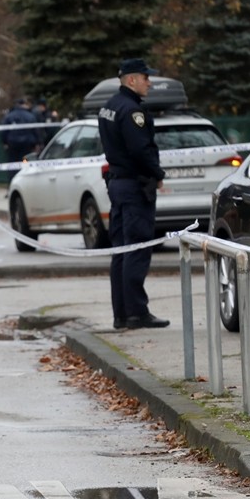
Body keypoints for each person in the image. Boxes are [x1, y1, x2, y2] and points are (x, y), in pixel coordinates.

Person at [97, 58, 170, 330]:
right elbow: (140, 150)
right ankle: (136, 312)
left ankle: (122, 313)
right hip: (133, 186)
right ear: (131, 80)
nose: (149, 82)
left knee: (121, 249)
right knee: (137, 248)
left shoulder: (110, 106)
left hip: (118, 184)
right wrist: (158, 174)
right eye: (145, 77)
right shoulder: (131, 111)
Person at [1, 99, 40, 163]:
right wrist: (37, 143)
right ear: (24, 104)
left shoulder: (9, 116)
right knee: (25, 161)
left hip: (12, 143)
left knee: (13, 162)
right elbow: (35, 130)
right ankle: (25, 168)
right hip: (27, 144)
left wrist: (4, 142)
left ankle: (14, 170)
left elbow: (4, 131)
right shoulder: (30, 116)